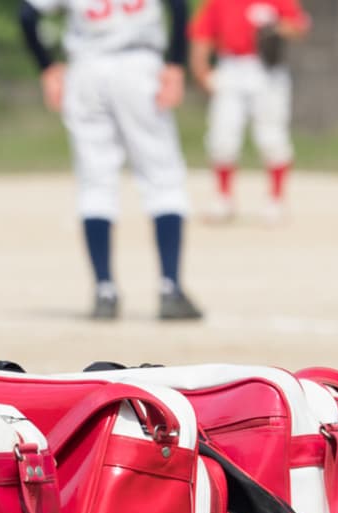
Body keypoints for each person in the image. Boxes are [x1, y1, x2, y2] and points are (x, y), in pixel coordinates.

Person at [19, 0, 202, 322]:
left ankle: (105, 289)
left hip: (87, 69)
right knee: (163, 177)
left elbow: (28, 13)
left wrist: (47, 66)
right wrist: (175, 62)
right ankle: (169, 287)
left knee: (95, 182)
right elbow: (177, 6)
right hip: (140, 66)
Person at [189, 0, 311, 224]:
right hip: (231, 67)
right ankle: (223, 199)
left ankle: (276, 200)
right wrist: (201, 70)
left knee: (271, 137)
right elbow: (202, 34)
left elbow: (299, 27)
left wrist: (276, 28)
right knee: (222, 136)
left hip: (265, 70)